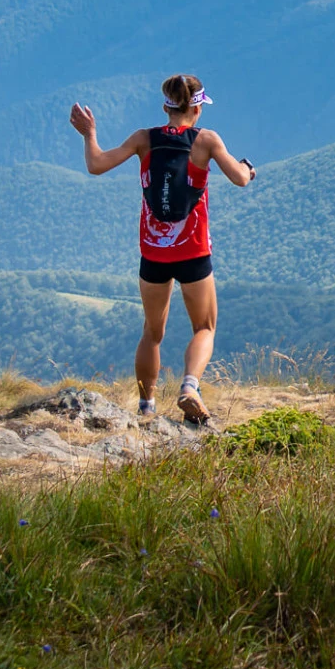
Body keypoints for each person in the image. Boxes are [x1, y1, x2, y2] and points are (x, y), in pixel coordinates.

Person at [68, 75, 254, 423]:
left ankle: (146, 407)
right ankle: (189, 386)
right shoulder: (207, 140)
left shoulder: (144, 139)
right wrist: (247, 168)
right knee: (205, 327)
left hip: (153, 253)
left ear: (166, 105)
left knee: (152, 332)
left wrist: (89, 134)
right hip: (193, 252)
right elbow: (240, 179)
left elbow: (96, 166)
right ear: (196, 107)